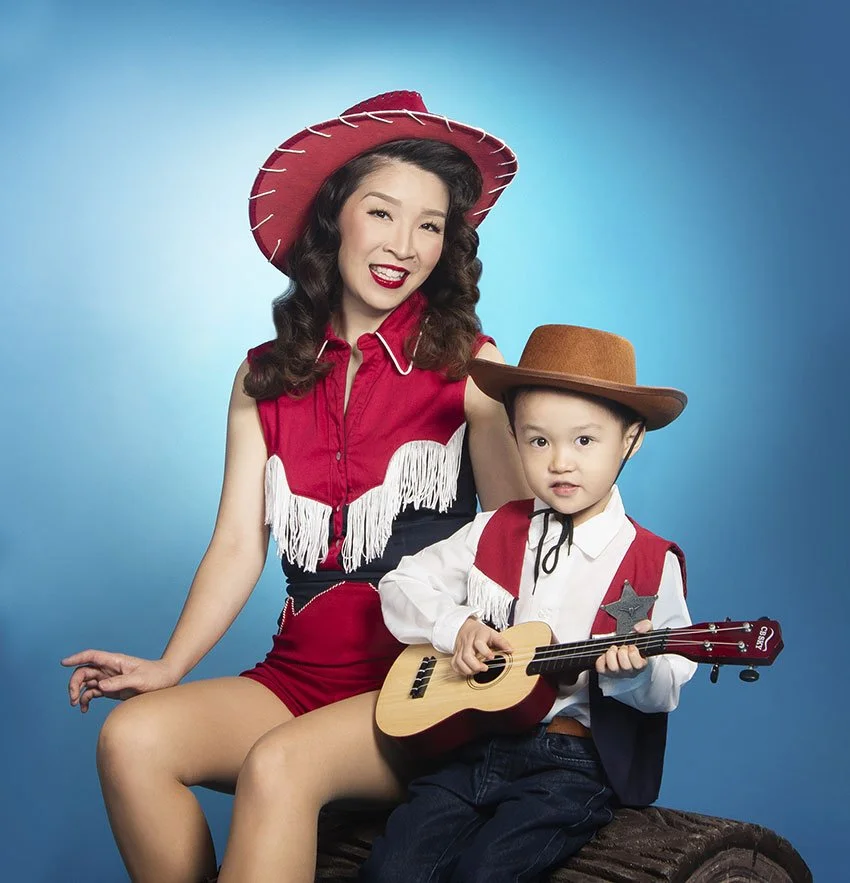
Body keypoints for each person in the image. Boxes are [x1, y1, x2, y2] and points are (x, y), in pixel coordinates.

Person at [61, 90, 529, 883]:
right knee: (131, 737)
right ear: (333, 218)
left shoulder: (471, 364)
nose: (404, 245)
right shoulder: (264, 375)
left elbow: (518, 535)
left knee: (279, 763)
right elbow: (238, 544)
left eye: (430, 225)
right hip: (297, 677)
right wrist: (170, 666)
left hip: (422, 688)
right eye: (381, 213)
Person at [360, 324, 698, 883]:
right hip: (476, 745)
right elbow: (400, 584)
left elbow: (668, 686)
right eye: (539, 441)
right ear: (514, 436)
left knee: (487, 872)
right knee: (393, 868)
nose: (560, 462)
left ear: (631, 439)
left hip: (570, 765)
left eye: (584, 441)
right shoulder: (493, 529)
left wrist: (634, 674)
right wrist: (457, 626)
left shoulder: (650, 561)